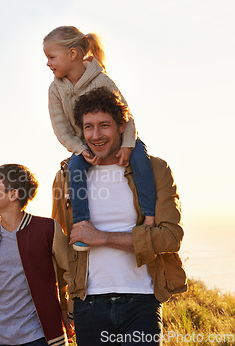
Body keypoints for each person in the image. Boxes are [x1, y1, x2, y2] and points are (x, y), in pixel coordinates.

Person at [51, 87, 187, 345]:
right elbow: (60, 243)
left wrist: (101, 237)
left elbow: (170, 238)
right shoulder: (67, 176)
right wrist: (63, 300)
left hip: (141, 301)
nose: (95, 135)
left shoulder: (154, 169)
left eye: (104, 126)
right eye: (88, 127)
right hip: (87, 303)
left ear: (123, 127)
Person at [43, 26, 156, 250]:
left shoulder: (102, 80)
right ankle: (82, 223)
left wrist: (127, 145)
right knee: (76, 168)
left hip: (121, 138)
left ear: (72, 54)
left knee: (141, 161)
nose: (48, 63)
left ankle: (149, 218)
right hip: (83, 143)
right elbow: (61, 128)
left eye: (51, 57)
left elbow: (127, 117)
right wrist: (79, 148)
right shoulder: (55, 90)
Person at [0, 163, 72, 346]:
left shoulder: (47, 229)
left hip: (40, 337)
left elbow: (71, 271)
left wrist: (70, 310)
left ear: (13, 195)